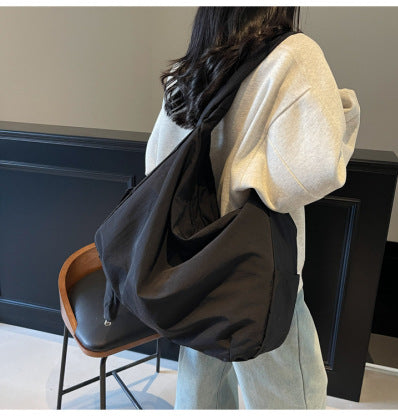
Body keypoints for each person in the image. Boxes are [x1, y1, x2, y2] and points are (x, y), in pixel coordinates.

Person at [145, 7, 360, 410]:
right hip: (258, 272)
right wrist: (344, 111)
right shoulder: (293, 54)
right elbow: (316, 169)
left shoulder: (190, 68)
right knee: (290, 395)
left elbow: (156, 164)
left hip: (194, 267)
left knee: (201, 387)